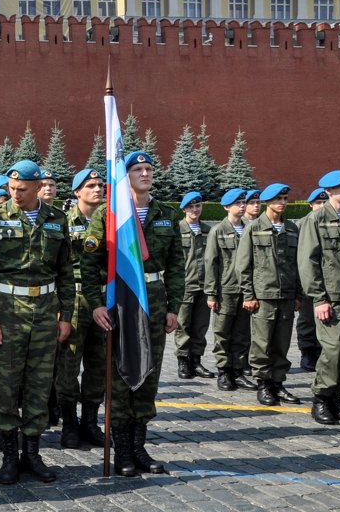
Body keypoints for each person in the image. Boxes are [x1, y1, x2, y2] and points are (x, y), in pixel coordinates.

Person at [83, 151, 185, 478]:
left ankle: (139, 446)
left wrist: (173, 307)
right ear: (123, 176)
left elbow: (177, 268)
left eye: (148, 168)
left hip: (153, 300)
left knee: (148, 373)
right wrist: (95, 303)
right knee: (119, 373)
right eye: (137, 169)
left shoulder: (166, 214)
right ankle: (122, 450)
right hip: (119, 302)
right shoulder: (108, 215)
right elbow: (88, 264)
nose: (145, 173)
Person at [0, 161, 74, 485]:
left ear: (37, 187)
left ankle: (31, 452)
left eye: (22, 190)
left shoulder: (57, 219)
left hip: (46, 312)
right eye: (11, 189)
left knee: (39, 384)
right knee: (6, 385)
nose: (14, 194)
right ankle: (8, 455)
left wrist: (67, 316)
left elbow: (65, 274)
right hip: (8, 311)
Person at [235, 183, 303, 407]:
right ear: (268, 202)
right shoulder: (254, 228)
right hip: (262, 296)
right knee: (262, 343)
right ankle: (264, 383)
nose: (283, 203)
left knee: (282, 343)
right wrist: (248, 295)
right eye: (278, 199)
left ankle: (278, 382)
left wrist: (297, 295)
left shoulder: (292, 228)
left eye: (285, 198)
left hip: (286, 294)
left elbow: (298, 265)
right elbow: (243, 265)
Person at [54, 168, 107, 450]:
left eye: (100, 185)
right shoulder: (63, 221)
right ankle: (70, 424)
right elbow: (58, 265)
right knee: (68, 365)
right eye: (90, 186)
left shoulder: (111, 221)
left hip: (101, 298)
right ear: (77, 192)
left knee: (98, 364)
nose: (97, 190)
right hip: (73, 298)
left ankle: (90, 421)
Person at [298, 170, 340, 424]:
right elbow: (308, 262)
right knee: (331, 350)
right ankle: (320, 397)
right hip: (330, 297)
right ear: (329, 191)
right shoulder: (316, 219)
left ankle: (335, 399)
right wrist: (319, 298)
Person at [205, 189, 254, 391]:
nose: (242, 206)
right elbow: (211, 262)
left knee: (242, 333)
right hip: (226, 290)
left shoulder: (250, 228)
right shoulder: (218, 230)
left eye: (244, 202)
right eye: (237, 203)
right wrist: (211, 293)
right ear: (227, 207)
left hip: (247, 289)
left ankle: (239, 371)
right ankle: (224, 372)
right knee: (223, 333)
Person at [175, 191, 214, 380]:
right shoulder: (177, 229)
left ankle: (196, 361)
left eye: (198, 206)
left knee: (201, 326)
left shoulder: (208, 230)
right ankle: (183, 361)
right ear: (184, 209)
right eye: (191, 206)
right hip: (185, 285)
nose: (195, 209)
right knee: (183, 325)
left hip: (205, 286)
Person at [296, 188, 329, 372]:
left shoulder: (335, 222)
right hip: (308, 282)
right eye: (318, 203)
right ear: (311, 204)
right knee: (307, 319)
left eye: (325, 203)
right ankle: (307, 351)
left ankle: (321, 352)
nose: (322, 206)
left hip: (330, 281)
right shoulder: (302, 224)